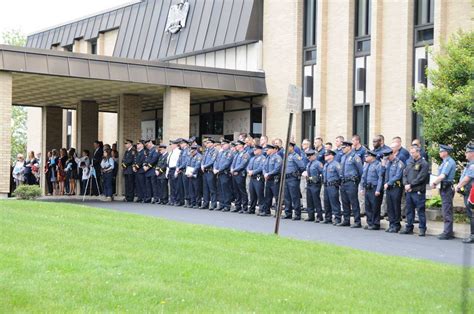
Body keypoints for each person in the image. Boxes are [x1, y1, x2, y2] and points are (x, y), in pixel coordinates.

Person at [400, 145, 430, 236]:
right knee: (409, 210)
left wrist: (411, 185)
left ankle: (422, 228)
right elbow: (404, 174)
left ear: (418, 152)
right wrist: (405, 184)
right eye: (411, 153)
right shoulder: (409, 162)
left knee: (420, 210)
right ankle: (409, 227)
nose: (412, 154)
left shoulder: (424, 163)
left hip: (418, 191)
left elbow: (421, 177)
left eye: (413, 153)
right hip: (409, 191)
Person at [431, 144, 456, 240]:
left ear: (446, 152)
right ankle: (447, 231)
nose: (439, 153)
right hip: (444, 188)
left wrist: (434, 183)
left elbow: (442, 176)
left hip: (447, 188)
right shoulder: (445, 162)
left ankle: (447, 233)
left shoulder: (448, 162)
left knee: (447, 210)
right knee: (446, 209)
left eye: (441, 151)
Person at [339, 141, 363, 227]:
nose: (342, 149)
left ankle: (357, 221)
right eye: (342, 148)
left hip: (351, 182)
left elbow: (360, 171)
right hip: (343, 181)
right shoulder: (343, 157)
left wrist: (357, 182)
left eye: (344, 147)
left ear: (349, 147)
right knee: (345, 202)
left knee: (354, 202)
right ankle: (346, 220)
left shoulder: (355, 157)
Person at [455, 142, 474, 243]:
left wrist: (458, 186)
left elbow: (467, 179)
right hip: (468, 192)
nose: (465, 154)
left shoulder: (473, 165)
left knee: (472, 214)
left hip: (471, 193)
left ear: (472, 153)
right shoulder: (469, 164)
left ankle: (472, 235)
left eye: (467, 152)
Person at [360, 150, 384, 230]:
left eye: (367, 156)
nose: (365, 158)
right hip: (367, 188)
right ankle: (370, 222)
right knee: (368, 206)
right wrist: (362, 188)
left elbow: (380, 178)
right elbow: (363, 177)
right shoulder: (366, 165)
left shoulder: (378, 165)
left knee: (375, 207)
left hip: (374, 188)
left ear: (372, 157)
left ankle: (376, 223)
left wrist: (378, 190)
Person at [383, 146, 405, 233]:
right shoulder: (389, 163)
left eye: (388, 157)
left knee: (396, 206)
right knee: (390, 207)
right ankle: (391, 224)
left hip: (396, 187)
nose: (387, 159)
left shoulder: (399, 163)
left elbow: (398, 176)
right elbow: (386, 175)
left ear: (392, 154)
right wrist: (386, 183)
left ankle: (396, 224)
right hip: (389, 188)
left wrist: (388, 183)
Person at [283, 141, 306, 220]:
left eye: (288, 147)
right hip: (286, 178)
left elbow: (302, 167)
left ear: (291, 147)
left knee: (294, 197)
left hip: (293, 178)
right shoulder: (286, 156)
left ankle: (297, 214)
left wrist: (297, 174)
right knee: (287, 196)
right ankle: (288, 213)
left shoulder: (296, 156)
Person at [261, 144, 282, 217]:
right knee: (267, 196)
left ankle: (278, 212)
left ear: (273, 149)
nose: (266, 151)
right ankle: (266, 211)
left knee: (277, 196)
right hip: (268, 179)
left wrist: (268, 174)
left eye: (268, 150)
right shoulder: (267, 158)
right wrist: (265, 174)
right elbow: (263, 167)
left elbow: (277, 169)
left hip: (275, 179)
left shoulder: (277, 157)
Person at [303, 149, 324, 222]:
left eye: (310, 156)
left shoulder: (318, 163)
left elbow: (322, 173)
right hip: (309, 183)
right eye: (308, 157)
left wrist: (315, 178)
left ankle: (319, 216)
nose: (309, 158)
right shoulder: (309, 164)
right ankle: (310, 216)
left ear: (314, 156)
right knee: (309, 200)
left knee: (316, 200)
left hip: (315, 183)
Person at [322, 149, 342, 225]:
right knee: (326, 202)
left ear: (331, 156)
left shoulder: (336, 164)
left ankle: (337, 218)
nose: (325, 156)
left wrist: (338, 183)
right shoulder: (326, 165)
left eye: (327, 155)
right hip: (326, 185)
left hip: (333, 185)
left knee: (334, 202)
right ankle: (328, 218)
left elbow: (340, 175)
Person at [230, 140, 250, 213]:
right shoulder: (237, 154)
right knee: (236, 191)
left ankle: (244, 207)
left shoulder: (245, 154)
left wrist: (234, 170)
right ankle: (238, 206)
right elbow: (233, 163)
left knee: (242, 191)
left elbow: (243, 164)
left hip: (240, 174)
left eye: (238, 145)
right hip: (234, 174)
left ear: (241, 145)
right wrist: (232, 169)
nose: (236, 146)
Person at [214, 139, 234, 211]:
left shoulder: (229, 153)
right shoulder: (220, 153)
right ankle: (221, 204)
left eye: (224, 144)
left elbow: (227, 163)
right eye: (221, 144)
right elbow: (216, 161)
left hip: (225, 173)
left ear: (228, 144)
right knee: (220, 189)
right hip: (219, 173)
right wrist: (215, 168)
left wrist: (219, 169)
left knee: (226, 189)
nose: (222, 145)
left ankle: (227, 205)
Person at [247, 145, 266, 215]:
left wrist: (253, 172)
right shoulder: (252, 158)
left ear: (260, 150)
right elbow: (248, 166)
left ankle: (262, 209)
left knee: (259, 194)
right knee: (252, 194)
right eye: (254, 150)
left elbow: (261, 167)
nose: (254, 151)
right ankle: (252, 209)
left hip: (258, 178)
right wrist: (248, 171)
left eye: (256, 150)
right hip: (252, 178)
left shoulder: (263, 158)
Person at [200, 139, 218, 210]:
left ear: (212, 143)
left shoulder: (215, 151)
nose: (206, 144)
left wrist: (205, 166)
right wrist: (202, 165)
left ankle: (213, 204)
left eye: (208, 143)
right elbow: (203, 159)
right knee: (205, 189)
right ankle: (205, 203)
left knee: (212, 188)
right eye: (206, 143)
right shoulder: (206, 150)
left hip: (210, 171)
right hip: (205, 171)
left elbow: (212, 161)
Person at [143, 139, 159, 204]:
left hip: (152, 169)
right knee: (148, 185)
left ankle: (155, 198)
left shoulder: (155, 149)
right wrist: (144, 165)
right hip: (147, 171)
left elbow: (154, 159)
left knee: (154, 185)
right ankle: (149, 197)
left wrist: (148, 166)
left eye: (147, 145)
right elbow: (146, 159)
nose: (147, 146)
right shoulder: (149, 150)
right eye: (146, 145)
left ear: (150, 142)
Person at [187, 144, 202, 209]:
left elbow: (197, 166)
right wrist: (187, 172)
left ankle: (197, 203)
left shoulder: (199, 156)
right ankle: (192, 202)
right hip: (190, 175)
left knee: (197, 189)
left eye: (192, 151)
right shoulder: (191, 156)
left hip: (196, 175)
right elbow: (188, 164)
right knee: (191, 189)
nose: (191, 152)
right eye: (191, 151)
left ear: (196, 150)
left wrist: (192, 172)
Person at [176, 139, 191, 207]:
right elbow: (178, 160)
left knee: (186, 187)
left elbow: (186, 161)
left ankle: (188, 201)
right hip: (180, 171)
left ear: (185, 144)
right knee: (180, 186)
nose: (180, 145)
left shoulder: (188, 150)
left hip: (184, 170)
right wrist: (177, 167)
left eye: (181, 144)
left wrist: (180, 167)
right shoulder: (182, 151)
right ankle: (181, 201)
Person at [167, 139, 181, 206]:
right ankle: (172, 199)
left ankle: (177, 200)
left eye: (172, 144)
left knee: (176, 186)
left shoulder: (178, 152)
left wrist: (176, 171)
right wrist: (167, 172)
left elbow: (178, 162)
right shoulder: (170, 152)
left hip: (175, 169)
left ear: (176, 145)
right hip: (170, 169)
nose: (171, 146)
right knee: (171, 186)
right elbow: (168, 163)